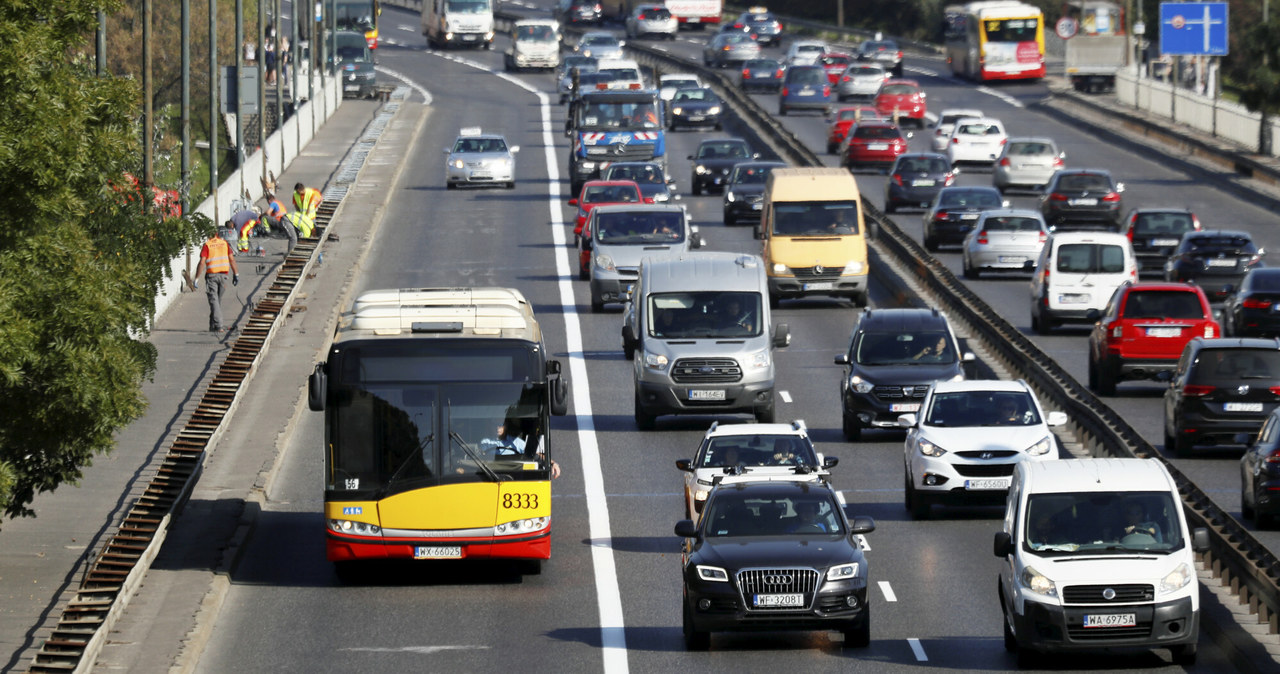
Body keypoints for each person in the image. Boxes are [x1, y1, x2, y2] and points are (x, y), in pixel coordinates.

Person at [192, 228, 240, 333]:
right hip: (224, 277)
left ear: (208, 235)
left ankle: (219, 326)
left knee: (214, 301)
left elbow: (202, 263)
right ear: (217, 234)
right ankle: (212, 326)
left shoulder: (207, 245)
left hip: (212, 276)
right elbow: (232, 259)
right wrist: (236, 274)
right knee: (216, 301)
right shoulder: (224, 244)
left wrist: (196, 278)